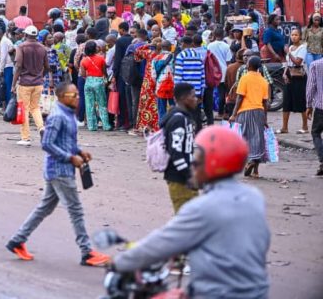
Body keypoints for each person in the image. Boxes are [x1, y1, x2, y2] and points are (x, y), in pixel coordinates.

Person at [113, 125, 270, 299]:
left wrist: (118, 263)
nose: (193, 164)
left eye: (197, 159)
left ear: (213, 163)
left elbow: (159, 244)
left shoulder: (202, 208)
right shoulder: (254, 197)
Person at [5, 82, 111, 267]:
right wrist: (70, 158)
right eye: (73, 95)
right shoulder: (57, 116)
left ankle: (17, 240)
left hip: (61, 168)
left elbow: (66, 140)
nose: (77, 98)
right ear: (61, 97)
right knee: (76, 210)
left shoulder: (69, 115)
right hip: (59, 170)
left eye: (77, 94)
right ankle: (86, 252)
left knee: (45, 207)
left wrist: (79, 152)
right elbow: (47, 143)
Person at [160, 83, 199, 213]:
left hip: (185, 177)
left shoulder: (185, 117)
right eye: (193, 96)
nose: (196, 99)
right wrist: (188, 175)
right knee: (186, 221)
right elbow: (176, 152)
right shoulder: (178, 120)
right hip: (179, 178)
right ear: (183, 98)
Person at [230, 56, 269, 178]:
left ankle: (249, 161)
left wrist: (233, 114)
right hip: (259, 112)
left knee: (246, 138)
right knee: (258, 139)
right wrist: (265, 119)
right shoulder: (263, 81)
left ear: (249, 65)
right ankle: (256, 171)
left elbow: (240, 97)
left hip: (245, 111)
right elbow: (265, 102)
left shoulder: (244, 78)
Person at [12, 26, 49, 146]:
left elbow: (18, 66)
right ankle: (41, 128)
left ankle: (25, 137)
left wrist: (13, 84)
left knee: (24, 109)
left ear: (26, 35)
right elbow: (47, 67)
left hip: (25, 83)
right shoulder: (42, 48)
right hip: (38, 83)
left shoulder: (21, 47)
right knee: (35, 108)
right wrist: (41, 76)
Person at [280, 28, 308, 134]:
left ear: (300, 36)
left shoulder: (303, 48)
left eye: (296, 35)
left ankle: (305, 127)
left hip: (299, 76)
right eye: (292, 35)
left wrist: (288, 53)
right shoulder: (291, 47)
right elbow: (288, 63)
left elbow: (297, 62)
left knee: (301, 100)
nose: (294, 37)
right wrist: (284, 73)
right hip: (289, 75)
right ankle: (284, 127)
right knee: (286, 101)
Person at [79, 41, 111, 132]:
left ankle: (92, 126)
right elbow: (104, 71)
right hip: (99, 81)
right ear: (94, 49)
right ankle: (106, 125)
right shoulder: (101, 59)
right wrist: (107, 79)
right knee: (102, 104)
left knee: (89, 104)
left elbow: (82, 74)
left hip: (88, 82)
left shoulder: (84, 60)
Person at [174, 36, 206, 124]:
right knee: (196, 115)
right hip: (197, 90)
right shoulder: (198, 55)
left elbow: (178, 76)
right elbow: (202, 75)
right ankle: (197, 134)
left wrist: (176, 92)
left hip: (184, 92)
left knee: (185, 115)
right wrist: (202, 92)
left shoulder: (181, 56)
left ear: (183, 43)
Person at [134, 38, 164, 133]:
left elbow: (137, 52)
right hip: (160, 81)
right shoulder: (165, 55)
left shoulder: (149, 53)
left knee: (147, 103)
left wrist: (148, 44)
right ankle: (157, 126)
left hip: (149, 81)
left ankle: (146, 125)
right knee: (158, 103)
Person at [205, 26, 232, 123]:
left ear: (215, 35)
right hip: (224, 71)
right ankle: (222, 112)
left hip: (212, 71)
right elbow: (228, 61)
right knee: (223, 93)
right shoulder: (226, 46)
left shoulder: (209, 46)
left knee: (211, 93)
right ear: (223, 35)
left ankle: (213, 112)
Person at [112, 22, 133, 130]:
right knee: (131, 98)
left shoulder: (120, 41)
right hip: (132, 72)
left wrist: (114, 74)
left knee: (122, 98)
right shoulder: (132, 39)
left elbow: (117, 59)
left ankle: (122, 122)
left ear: (121, 30)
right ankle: (130, 121)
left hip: (122, 72)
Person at [306, 58, 323, 176]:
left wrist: (308, 105)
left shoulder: (316, 65)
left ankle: (322, 159)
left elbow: (311, 86)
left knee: (316, 133)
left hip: (321, 107)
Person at [0, 28, 15, 105]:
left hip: (8, 66)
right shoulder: (3, 41)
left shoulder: (4, 41)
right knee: (8, 86)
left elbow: (3, 57)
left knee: (8, 87)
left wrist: (1, 70)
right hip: (9, 66)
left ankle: (8, 106)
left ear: (0, 34)